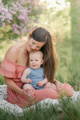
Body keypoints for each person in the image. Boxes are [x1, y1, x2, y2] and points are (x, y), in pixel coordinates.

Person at [0, 27, 74, 108]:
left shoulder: (36, 54)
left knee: (68, 90)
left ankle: (54, 91)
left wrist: (55, 82)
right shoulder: (14, 51)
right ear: (29, 37)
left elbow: (39, 74)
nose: (33, 47)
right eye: (33, 43)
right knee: (52, 93)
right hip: (19, 92)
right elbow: (8, 81)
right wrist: (22, 93)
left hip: (37, 87)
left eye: (38, 46)